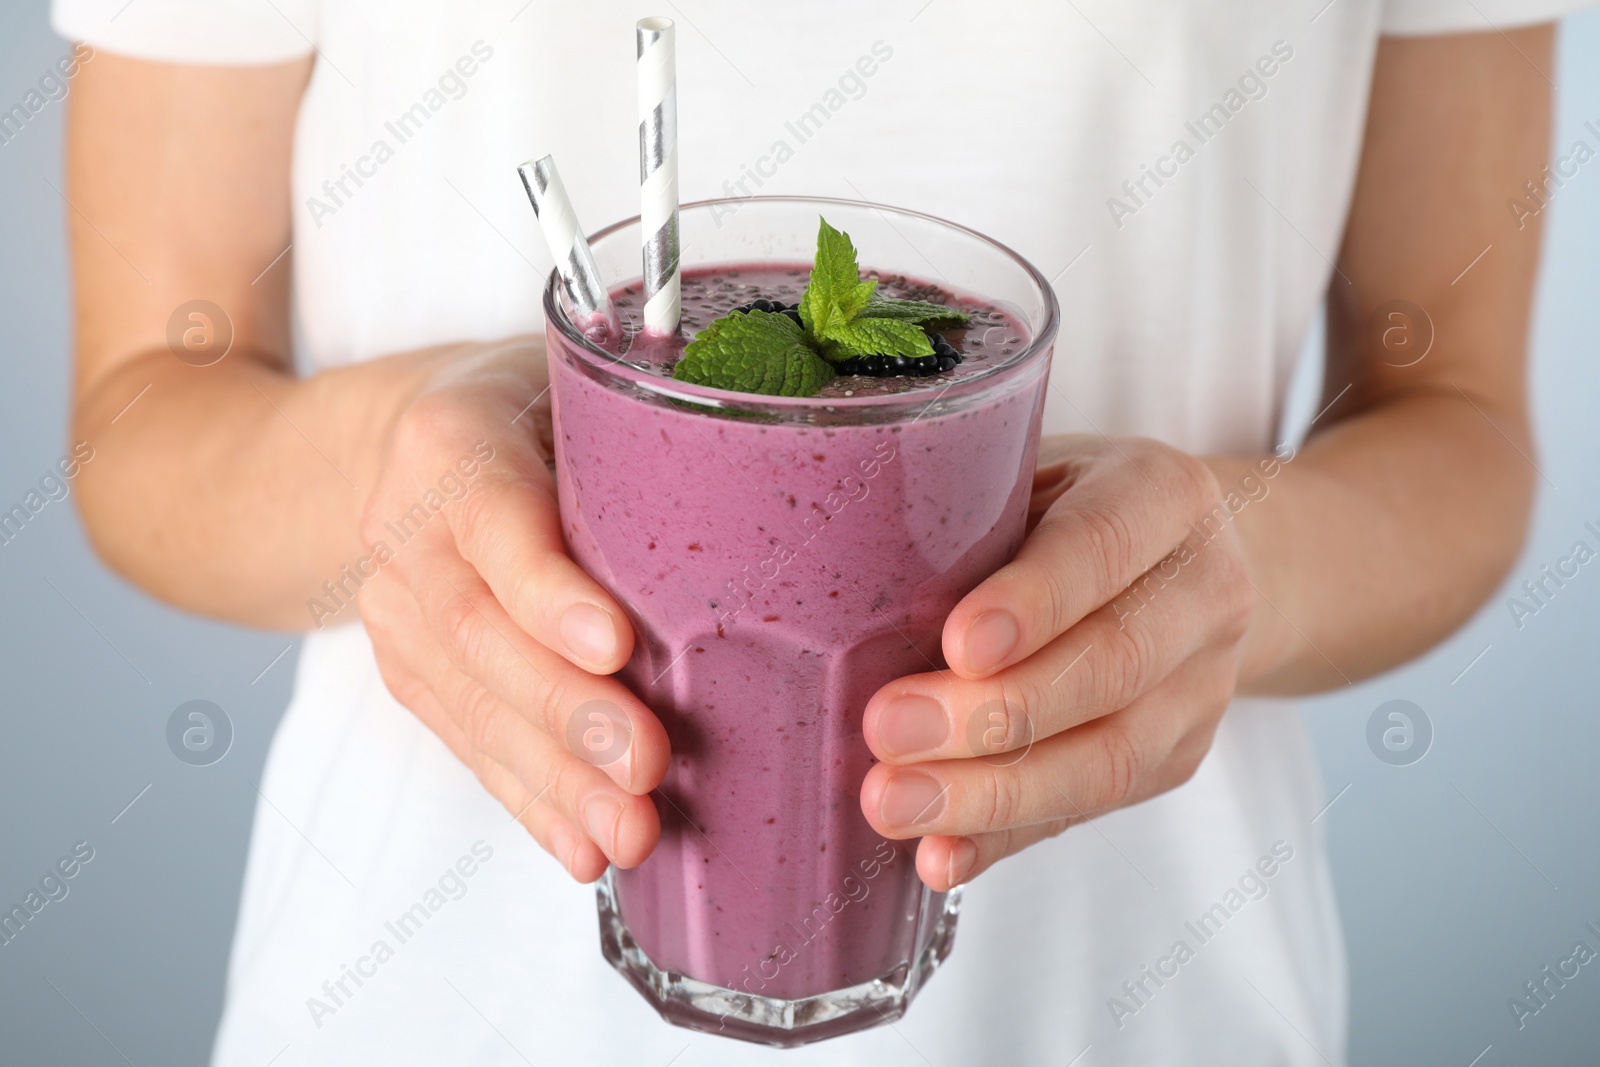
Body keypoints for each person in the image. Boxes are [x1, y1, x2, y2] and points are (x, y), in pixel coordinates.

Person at [51, 0, 1585, 1063]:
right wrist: (394, 473)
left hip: (1140, 1014)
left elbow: (1453, 416)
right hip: (429, 1011)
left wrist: (1238, 568)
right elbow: (145, 414)